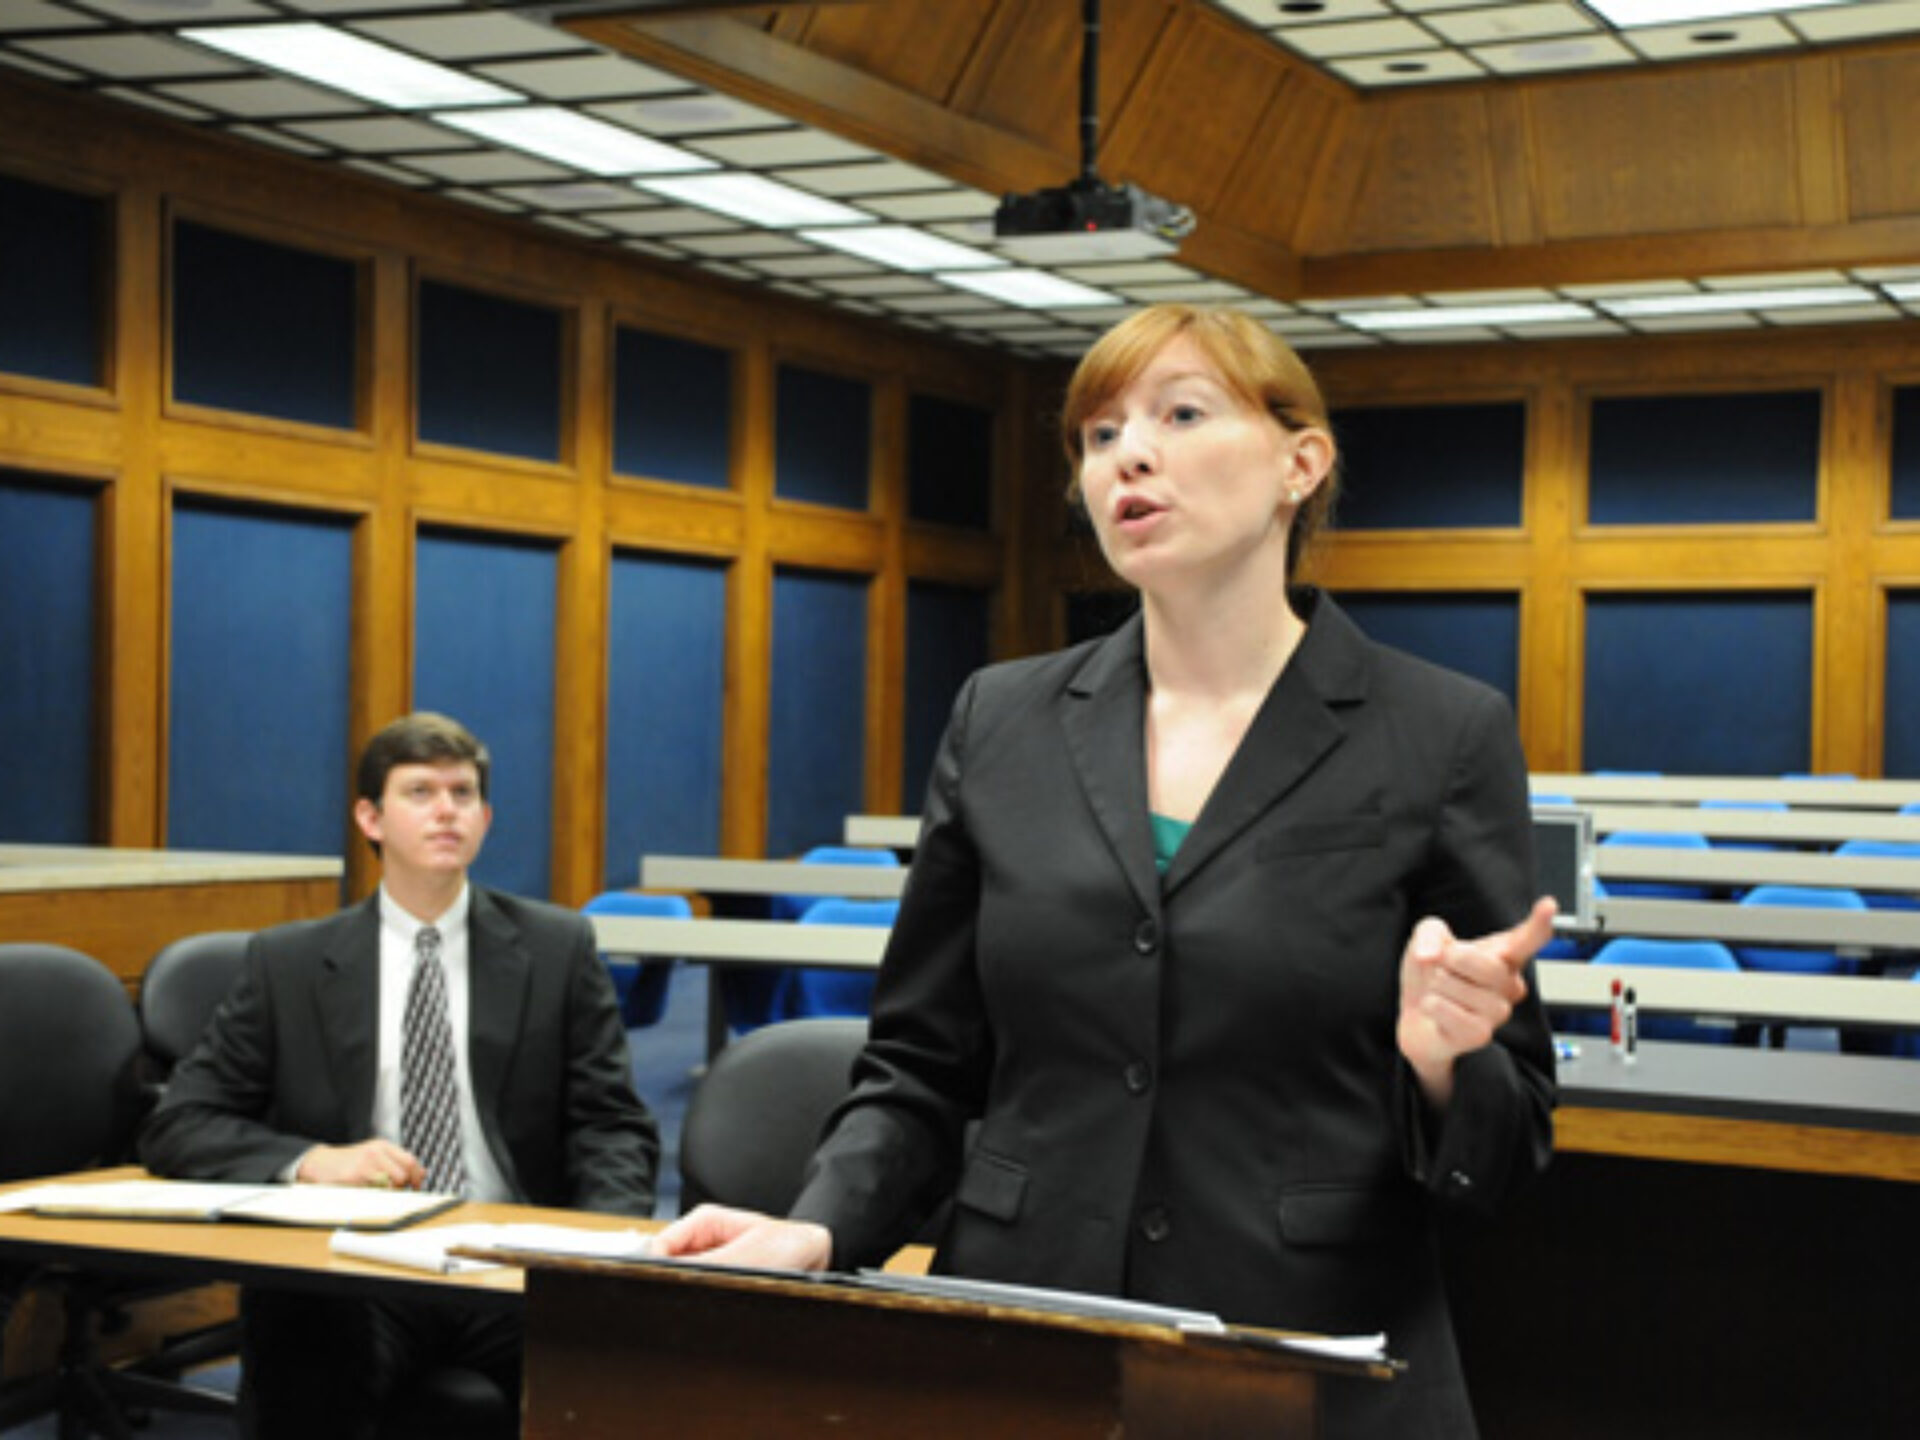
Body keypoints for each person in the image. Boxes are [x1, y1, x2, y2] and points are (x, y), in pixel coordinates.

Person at [655, 304, 1557, 1437]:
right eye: (1097, 434)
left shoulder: (1439, 731)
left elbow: (1508, 1139)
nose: (1127, 454)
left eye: (1182, 414)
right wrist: (820, 1223)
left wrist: (1438, 1063)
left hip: (1306, 1359)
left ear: (1300, 462)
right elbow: (923, 1062)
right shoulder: (1005, 718)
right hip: (1032, 1339)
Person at [141, 711, 660, 1440]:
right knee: (302, 1333)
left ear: (484, 818)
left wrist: (592, 1248)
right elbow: (180, 1125)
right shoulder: (286, 963)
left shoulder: (557, 948)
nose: (447, 809)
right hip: (355, 1266)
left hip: (508, 1262)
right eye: (419, 791)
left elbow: (612, 1125)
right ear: (369, 817)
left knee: (612, 1355)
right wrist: (310, 1161)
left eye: (463, 792)